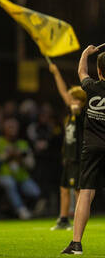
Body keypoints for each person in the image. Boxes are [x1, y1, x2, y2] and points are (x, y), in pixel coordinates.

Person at [62, 45, 105, 254]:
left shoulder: (91, 87)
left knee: (85, 194)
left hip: (92, 149)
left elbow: (81, 72)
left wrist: (85, 54)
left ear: (99, 71)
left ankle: (76, 244)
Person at [49, 63, 86, 230]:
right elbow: (63, 92)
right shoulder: (70, 114)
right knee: (64, 188)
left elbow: (76, 108)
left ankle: (78, 220)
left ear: (81, 100)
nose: (70, 100)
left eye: (74, 98)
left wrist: (77, 107)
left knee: (78, 191)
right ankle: (63, 219)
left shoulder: (81, 114)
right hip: (69, 157)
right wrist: (56, 73)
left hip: (78, 157)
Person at [0, 118, 40, 220]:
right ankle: (20, 210)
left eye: (14, 127)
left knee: (34, 192)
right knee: (9, 183)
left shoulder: (23, 144)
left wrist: (20, 157)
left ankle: (29, 210)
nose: (12, 130)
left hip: (21, 177)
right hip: (2, 175)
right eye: (10, 127)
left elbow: (31, 165)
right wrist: (7, 155)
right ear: (4, 129)